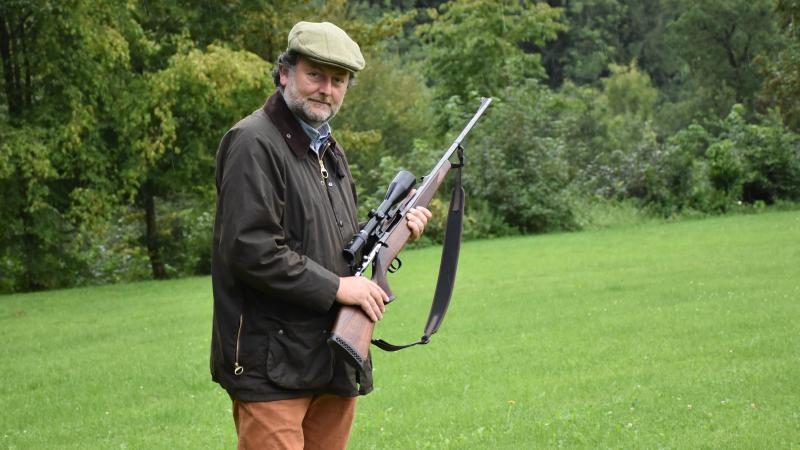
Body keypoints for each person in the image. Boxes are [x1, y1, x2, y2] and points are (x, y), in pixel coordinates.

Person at [210, 21, 431, 449]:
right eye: (315, 75)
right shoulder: (253, 142)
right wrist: (337, 288)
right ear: (285, 73)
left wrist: (396, 234)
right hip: (272, 363)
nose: (326, 89)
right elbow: (250, 249)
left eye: (338, 80)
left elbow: (344, 246)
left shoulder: (329, 147)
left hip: (331, 353)